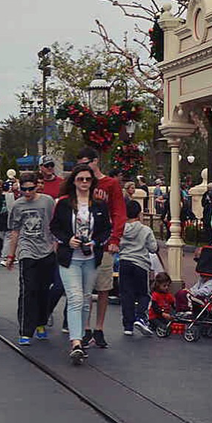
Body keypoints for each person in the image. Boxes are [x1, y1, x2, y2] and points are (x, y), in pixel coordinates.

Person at [50, 163, 111, 364]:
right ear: (74, 181)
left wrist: (95, 242)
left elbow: (106, 230)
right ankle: (75, 342)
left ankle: (82, 337)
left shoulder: (99, 205)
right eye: (80, 179)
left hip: (91, 258)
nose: (84, 182)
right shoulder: (64, 204)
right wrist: (67, 240)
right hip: (70, 259)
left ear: (92, 182)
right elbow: (54, 228)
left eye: (88, 179)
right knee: (75, 298)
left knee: (85, 299)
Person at [76, 147, 124, 349]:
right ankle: (85, 328)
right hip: (82, 243)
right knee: (84, 288)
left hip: (103, 244)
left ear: (95, 161)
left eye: (87, 163)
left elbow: (118, 212)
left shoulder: (110, 184)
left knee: (103, 287)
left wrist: (115, 239)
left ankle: (99, 328)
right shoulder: (78, 183)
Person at [5, 171, 57, 345]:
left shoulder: (47, 201)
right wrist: (11, 254)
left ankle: (41, 323)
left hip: (46, 250)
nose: (27, 192)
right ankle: (25, 330)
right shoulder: (17, 205)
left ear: (37, 186)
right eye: (24, 189)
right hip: (27, 251)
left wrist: (55, 246)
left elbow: (54, 224)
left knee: (43, 290)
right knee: (28, 290)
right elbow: (15, 231)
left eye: (30, 189)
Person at [118, 200, 158, 337]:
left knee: (126, 294)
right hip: (141, 264)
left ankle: (127, 326)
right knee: (143, 294)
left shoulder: (121, 229)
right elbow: (153, 248)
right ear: (139, 213)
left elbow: (117, 244)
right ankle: (140, 317)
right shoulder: (146, 230)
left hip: (124, 262)